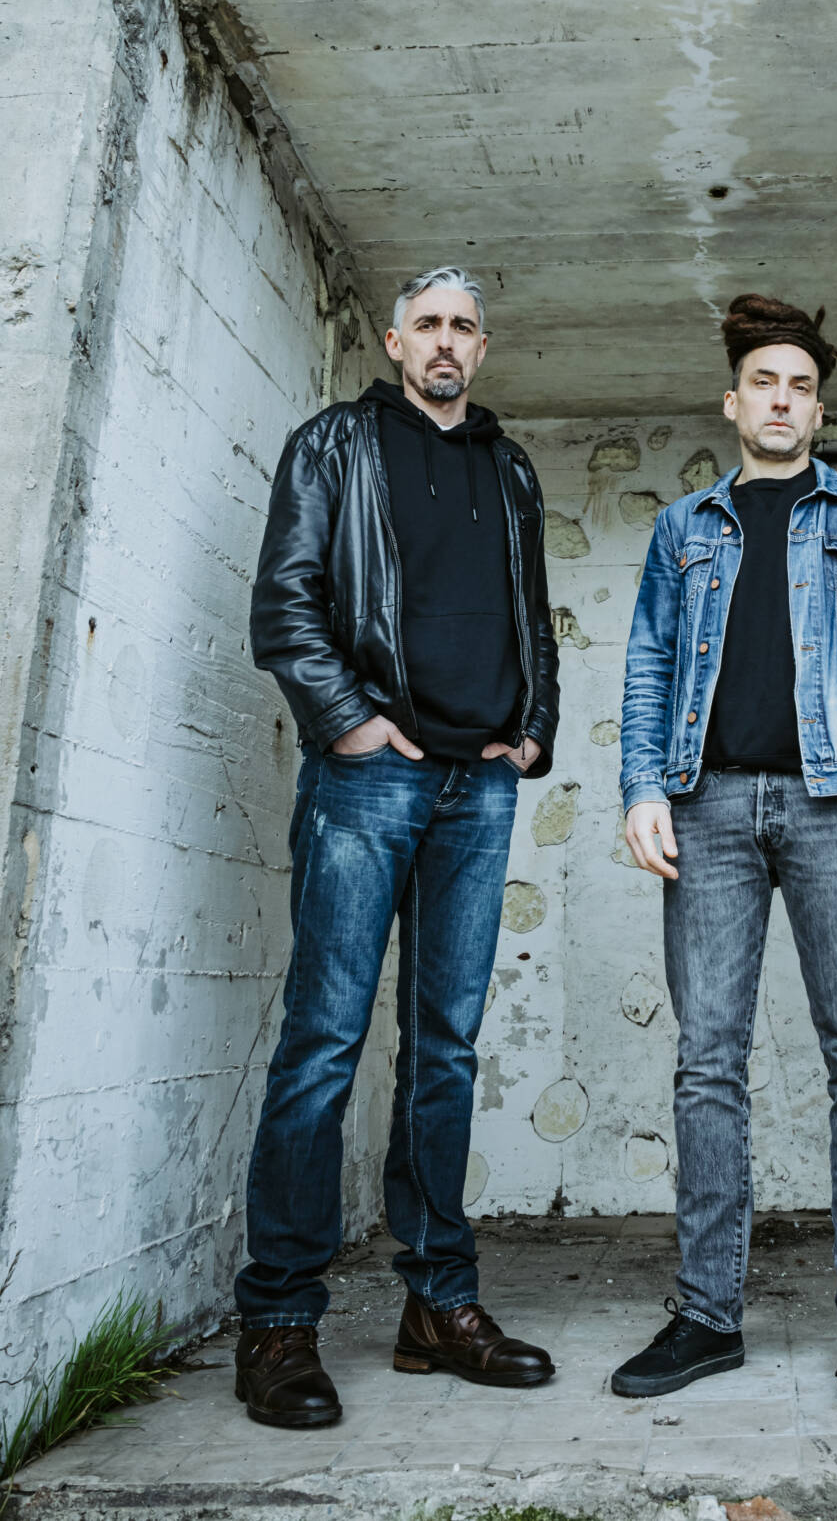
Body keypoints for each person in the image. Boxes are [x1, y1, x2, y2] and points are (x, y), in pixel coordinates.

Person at [234, 268, 561, 1427]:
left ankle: (438, 1307)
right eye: (428, 324)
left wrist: (533, 732)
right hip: (370, 776)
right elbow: (284, 603)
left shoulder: (509, 470)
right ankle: (279, 1320)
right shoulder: (334, 446)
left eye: (464, 326)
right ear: (393, 340)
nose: (446, 341)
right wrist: (352, 724)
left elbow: (533, 617)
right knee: (323, 1043)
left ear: (483, 348)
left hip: (480, 786)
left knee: (444, 1053)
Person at [613, 295, 837, 1412]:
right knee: (707, 1061)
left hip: (834, 804)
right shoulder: (683, 529)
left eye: (801, 386)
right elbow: (650, 664)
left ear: (819, 409)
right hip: (705, 808)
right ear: (732, 402)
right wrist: (641, 788)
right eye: (765, 384)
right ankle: (707, 1316)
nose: (783, 401)